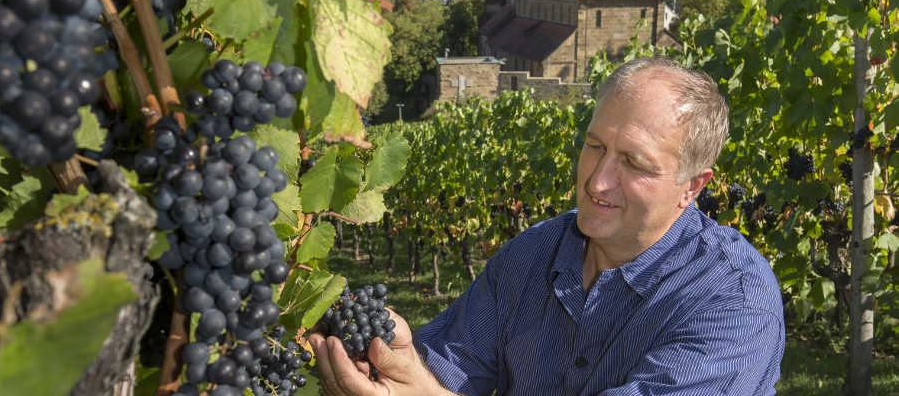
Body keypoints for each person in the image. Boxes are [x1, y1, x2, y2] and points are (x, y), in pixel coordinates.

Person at [309, 57, 785, 395]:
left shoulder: (734, 301)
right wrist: (399, 362)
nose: (597, 181)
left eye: (634, 163)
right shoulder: (533, 256)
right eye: (595, 146)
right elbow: (449, 367)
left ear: (693, 186)